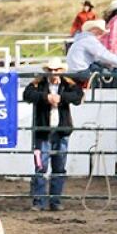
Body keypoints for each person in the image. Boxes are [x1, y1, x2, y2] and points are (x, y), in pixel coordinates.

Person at [23, 58, 83, 212]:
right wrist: (46, 98)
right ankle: (40, 201)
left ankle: (54, 201)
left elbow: (78, 97)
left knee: (58, 167)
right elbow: (27, 95)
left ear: (60, 71)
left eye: (56, 70)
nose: (53, 73)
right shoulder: (38, 83)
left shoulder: (67, 84)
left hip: (60, 132)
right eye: (50, 70)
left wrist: (60, 98)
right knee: (41, 167)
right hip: (43, 132)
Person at [66, 19, 117, 84]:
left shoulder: (80, 39)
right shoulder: (89, 40)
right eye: (100, 31)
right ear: (95, 29)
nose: (101, 34)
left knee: (102, 67)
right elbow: (103, 54)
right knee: (112, 72)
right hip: (82, 72)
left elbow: (98, 56)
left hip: (74, 71)